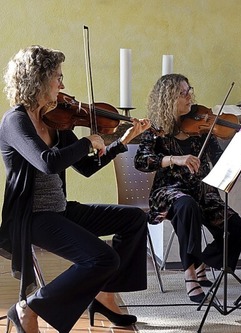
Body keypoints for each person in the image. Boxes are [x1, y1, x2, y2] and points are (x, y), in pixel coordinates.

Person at [0, 45, 151, 333]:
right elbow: (47, 163)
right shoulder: (15, 122)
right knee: (102, 257)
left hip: (60, 210)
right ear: (38, 78)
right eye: (58, 76)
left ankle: (105, 295)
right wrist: (87, 142)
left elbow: (86, 168)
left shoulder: (55, 118)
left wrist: (122, 141)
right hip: (32, 218)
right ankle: (28, 307)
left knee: (134, 218)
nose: (63, 84)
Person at [135, 74, 241, 303]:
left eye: (189, 91)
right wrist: (173, 159)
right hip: (169, 191)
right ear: (167, 99)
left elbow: (220, 159)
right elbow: (141, 160)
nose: (190, 97)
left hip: (202, 192)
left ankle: (202, 262)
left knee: (238, 229)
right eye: (182, 93)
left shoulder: (202, 127)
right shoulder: (155, 129)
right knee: (187, 206)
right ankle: (190, 274)